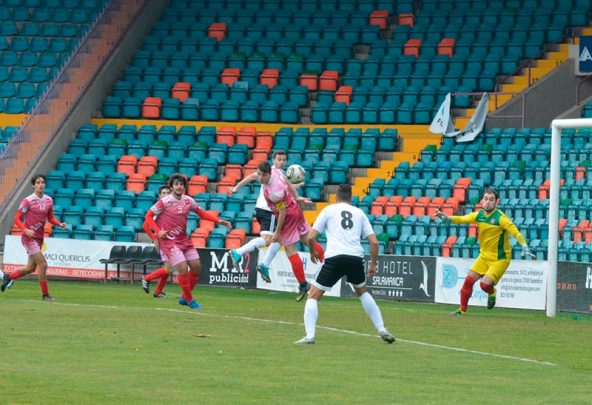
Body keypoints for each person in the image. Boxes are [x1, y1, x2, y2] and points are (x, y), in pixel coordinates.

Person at [295, 184, 395, 344]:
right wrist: (373, 265)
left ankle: (310, 336)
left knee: (313, 295)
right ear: (351, 197)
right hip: (355, 258)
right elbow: (374, 242)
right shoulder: (359, 213)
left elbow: (311, 237)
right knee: (363, 292)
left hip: (335, 257)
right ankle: (382, 329)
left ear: (336, 196)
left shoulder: (328, 210)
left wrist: (313, 252)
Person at [435, 186, 536, 316]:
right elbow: (462, 219)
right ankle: (462, 311)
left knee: (484, 285)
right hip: (484, 256)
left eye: (491, 200)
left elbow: (515, 232)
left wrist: (524, 246)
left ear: (496, 202)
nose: (488, 202)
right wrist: (447, 218)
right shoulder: (479, 215)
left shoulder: (501, 218)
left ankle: (492, 292)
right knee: (468, 281)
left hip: (500, 258)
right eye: (486, 199)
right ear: (482, 201)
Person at [143, 174, 232, 309]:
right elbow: (148, 217)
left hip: (184, 239)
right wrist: (158, 232)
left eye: (181, 184)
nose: (179, 187)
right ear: (172, 187)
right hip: (170, 241)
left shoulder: (188, 201)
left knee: (196, 267)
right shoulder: (164, 202)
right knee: (183, 269)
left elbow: (201, 213)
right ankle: (190, 300)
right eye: (176, 184)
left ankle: (184, 298)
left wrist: (218, 221)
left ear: (184, 187)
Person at [227, 150, 303, 283]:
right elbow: (252, 178)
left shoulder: (277, 173)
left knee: (279, 239)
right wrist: (236, 188)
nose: (281, 162)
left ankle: (265, 265)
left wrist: (236, 188)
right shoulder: (269, 172)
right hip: (269, 210)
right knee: (268, 240)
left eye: (284, 160)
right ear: (273, 160)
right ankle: (238, 252)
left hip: (262, 209)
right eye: (279, 159)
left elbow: (285, 187)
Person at [257, 160, 324, 301]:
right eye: (259, 174)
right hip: (296, 209)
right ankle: (328, 262)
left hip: (288, 217)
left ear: (269, 173)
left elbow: (281, 212)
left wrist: (277, 232)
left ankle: (303, 285)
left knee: (290, 250)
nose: (260, 178)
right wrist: (297, 197)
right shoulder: (276, 172)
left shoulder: (274, 193)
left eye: (263, 175)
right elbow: (288, 182)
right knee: (306, 239)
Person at [1, 174, 68, 301]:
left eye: (42, 182)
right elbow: (16, 218)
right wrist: (25, 230)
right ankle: (45, 295)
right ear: (33, 185)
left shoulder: (49, 200)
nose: (41, 184)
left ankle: (9, 277)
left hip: (39, 238)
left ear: (45, 184)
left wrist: (60, 224)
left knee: (31, 268)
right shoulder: (28, 200)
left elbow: (50, 218)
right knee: (43, 264)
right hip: (28, 238)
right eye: (38, 182)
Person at [141, 185, 174, 298]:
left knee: (168, 269)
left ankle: (158, 292)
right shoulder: (158, 208)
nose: (166, 195)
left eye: (168, 193)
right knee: (169, 268)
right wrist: (154, 238)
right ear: (160, 195)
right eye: (163, 193)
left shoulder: (169, 207)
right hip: (163, 241)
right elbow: (145, 226)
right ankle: (147, 278)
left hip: (170, 240)